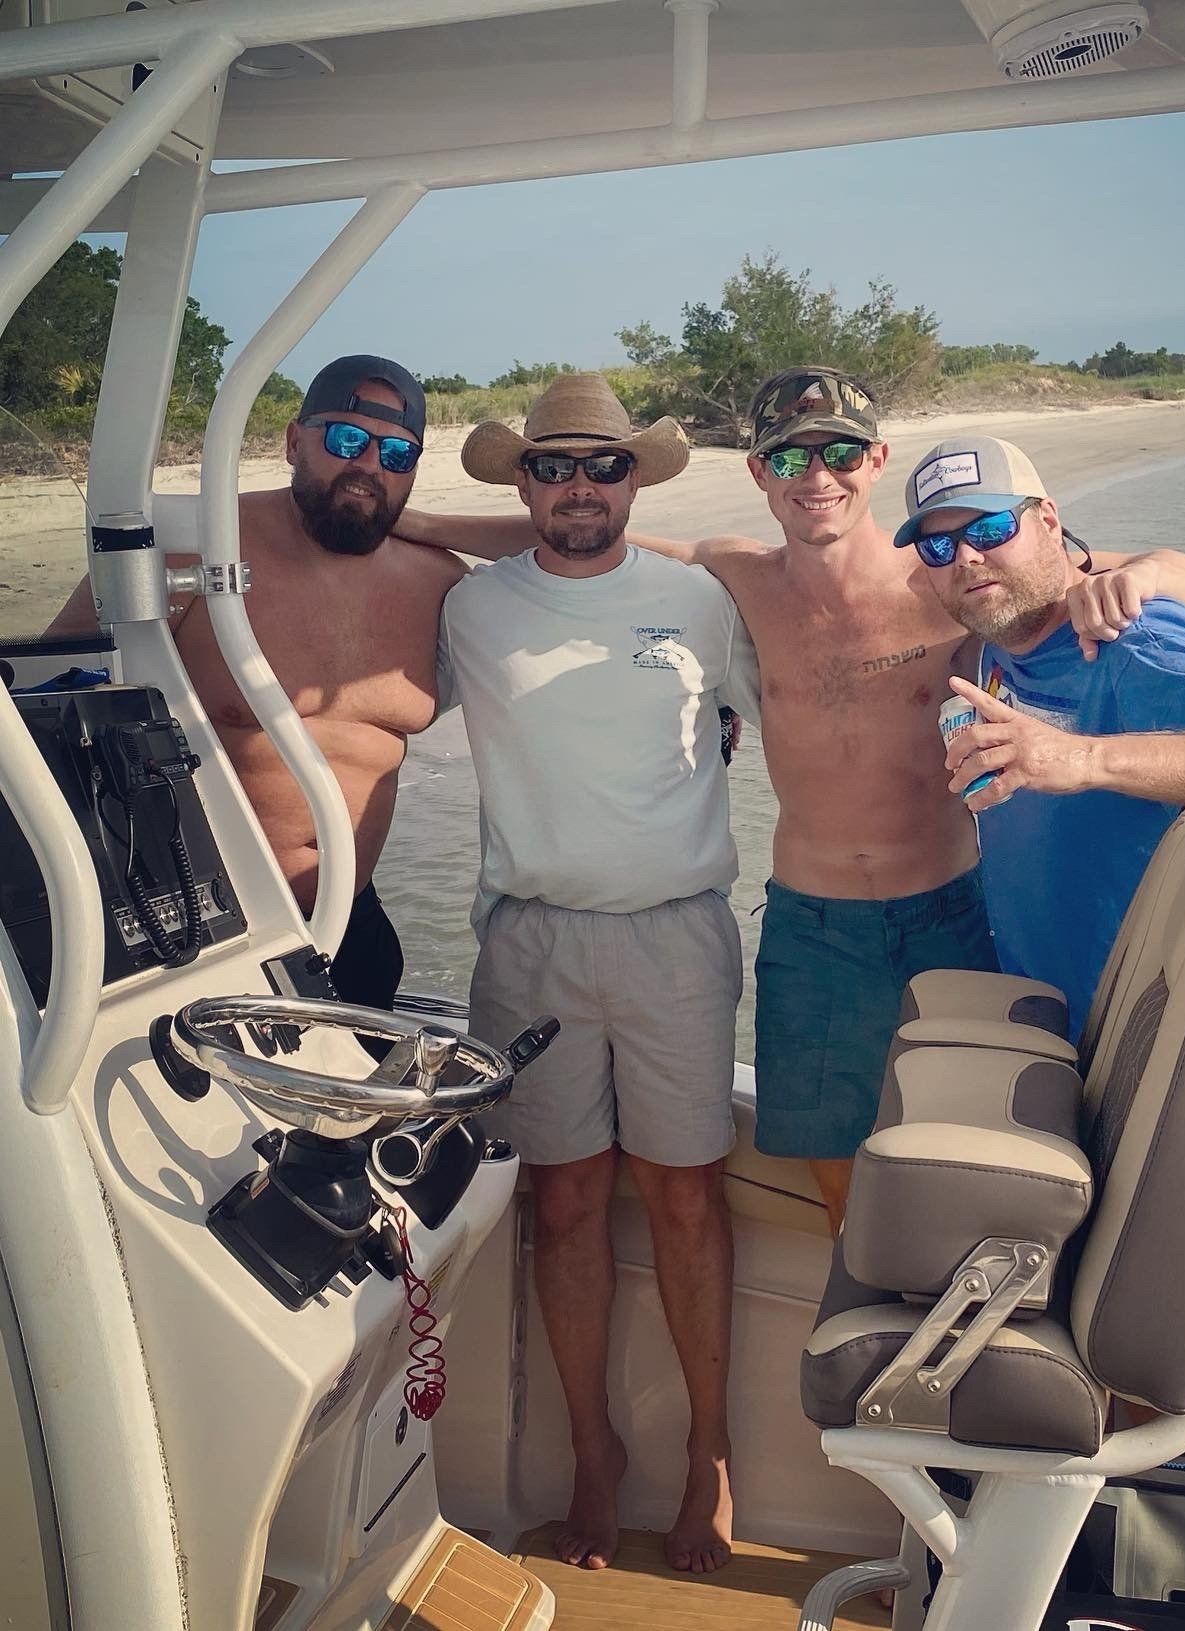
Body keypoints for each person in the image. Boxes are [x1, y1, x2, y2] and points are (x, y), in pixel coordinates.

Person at [397, 367, 1185, 1230]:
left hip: (953, 912)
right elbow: (579, 535)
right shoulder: (741, 577)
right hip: (812, 928)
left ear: (876, 461)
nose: (816, 475)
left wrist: (1155, 570)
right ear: (759, 471)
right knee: (840, 1187)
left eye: (840, 453)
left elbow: (1165, 574)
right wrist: (418, 523)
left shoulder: (947, 576)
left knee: (977, 1167)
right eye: (789, 457)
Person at [896, 432, 1185, 1449]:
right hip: (1076, 1040)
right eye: (939, 545)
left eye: (990, 528)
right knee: (1121, 1313)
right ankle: (1153, 1514)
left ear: (1048, 521)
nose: (968, 559)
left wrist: (1081, 758)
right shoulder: (999, 645)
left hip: (1172, 1054)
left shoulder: (1131, 636)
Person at [436, 373, 759, 1577]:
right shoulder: (467, 607)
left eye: (604, 466)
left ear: (637, 480)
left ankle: (709, 1455)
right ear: (521, 481)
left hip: (679, 937)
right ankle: (591, 1452)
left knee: (686, 1199)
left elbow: (809, 693)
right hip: (530, 945)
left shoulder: (701, 599)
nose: (581, 486)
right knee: (564, 1203)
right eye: (554, 465)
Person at [47, 356, 466, 1016]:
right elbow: (47, 692)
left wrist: (439, 528)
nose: (369, 466)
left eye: (397, 453)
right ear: (294, 441)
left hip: (348, 922)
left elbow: (573, 560)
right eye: (347, 439)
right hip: (201, 930)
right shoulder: (194, 547)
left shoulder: (438, 581)